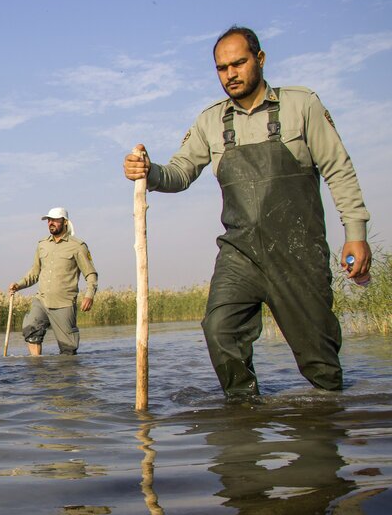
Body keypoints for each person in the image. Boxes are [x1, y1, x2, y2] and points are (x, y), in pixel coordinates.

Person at [123, 26, 372, 398]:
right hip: (240, 253)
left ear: (260, 59)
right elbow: (180, 172)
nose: (230, 74)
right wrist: (149, 171)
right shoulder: (210, 121)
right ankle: (243, 414)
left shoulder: (301, 105)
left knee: (320, 360)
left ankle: (329, 418)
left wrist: (356, 233)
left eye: (238, 64)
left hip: (298, 253)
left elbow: (339, 169)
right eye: (222, 68)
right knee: (219, 329)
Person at [8, 207, 98, 355]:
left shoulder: (78, 246)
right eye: (49, 220)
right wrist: (19, 285)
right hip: (42, 300)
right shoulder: (42, 244)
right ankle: (37, 366)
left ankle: (66, 369)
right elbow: (34, 273)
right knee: (31, 329)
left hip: (64, 303)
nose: (51, 223)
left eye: (55, 220)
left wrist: (89, 295)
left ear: (65, 222)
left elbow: (91, 274)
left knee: (68, 348)